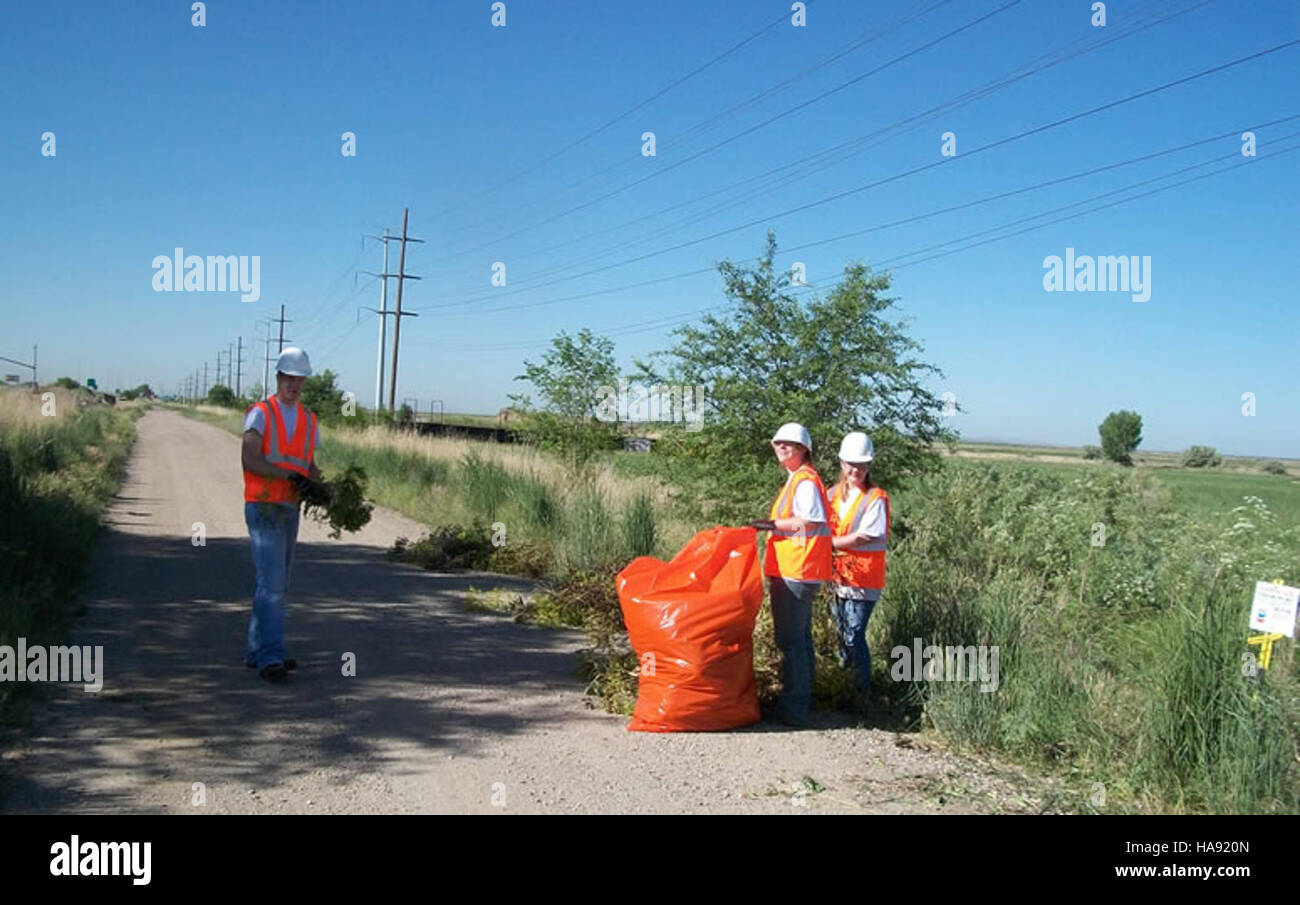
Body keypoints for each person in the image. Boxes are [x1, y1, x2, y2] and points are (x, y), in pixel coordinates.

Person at [240, 347, 321, 683]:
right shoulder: (260, 414)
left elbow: (308, 465)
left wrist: (319, 484)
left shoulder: (309, 420)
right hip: (263, 506)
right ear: (278, 377)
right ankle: (271, 657)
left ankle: (256, 650)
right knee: (272, 584)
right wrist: (288, 476)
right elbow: (250, 460)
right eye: (288, 378)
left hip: (290, 509)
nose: (293, 385)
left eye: (299, 380)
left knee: (276, 583)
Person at [751, 422, 832, 726]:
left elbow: (810, 521)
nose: (782, 447)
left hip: (797, 569)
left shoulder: (805, 481)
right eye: (778, 443)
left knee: (791, 641)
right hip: (797, 568)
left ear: (803, 450)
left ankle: (794, 708)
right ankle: (802, 701)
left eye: (789, 444)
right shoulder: (797, 480)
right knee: (800, 639)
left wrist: (772, 525)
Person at [826, 432, 889, 707]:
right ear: (841, 463)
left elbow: (864, 536)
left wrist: (825, 544)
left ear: (869, 466)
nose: (856, 470)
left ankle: (862, 692)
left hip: (863, 580)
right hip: (835, 577)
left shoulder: (875, 498)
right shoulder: (831, 495)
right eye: (851, 464)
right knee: (841, 633)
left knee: (854, 633)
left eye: (862, 465)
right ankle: (845, 685)